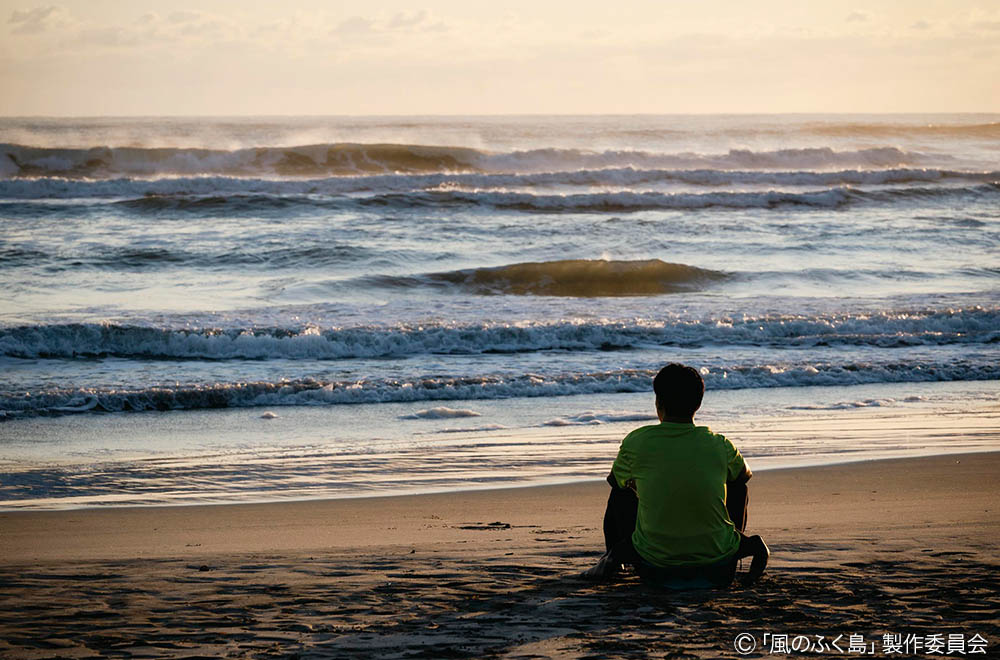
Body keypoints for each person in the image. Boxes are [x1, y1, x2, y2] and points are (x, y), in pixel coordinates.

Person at [582, 363, 769, 587]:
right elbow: (742, 478)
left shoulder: (637, 441)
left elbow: (615, 481)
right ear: (698, 404)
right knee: (738, 485)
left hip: (654, 565)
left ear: (658, 402)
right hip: (719, 566)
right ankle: (730, 539)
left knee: (620, 492)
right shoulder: (720, 444)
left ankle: (615, 557)